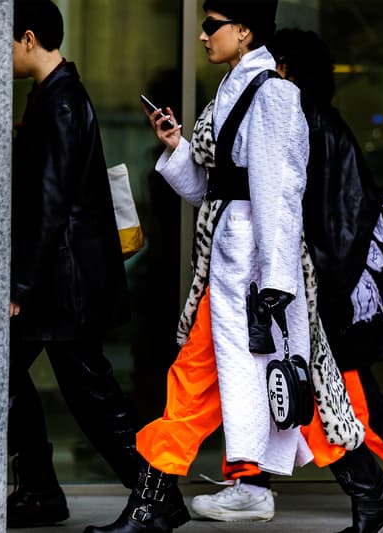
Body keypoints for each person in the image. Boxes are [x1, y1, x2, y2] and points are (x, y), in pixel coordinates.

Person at [190, 28, 383, 529]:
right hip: (314, 289)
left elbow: (330, 220)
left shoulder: (308, 122)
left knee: (341, 399)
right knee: (285, 389)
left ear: (286, 69)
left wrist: (307, 292)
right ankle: (253, 483)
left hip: (323, 291)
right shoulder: (304, 119)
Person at [84, 1, 314, 532]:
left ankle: (154, 503)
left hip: (254, 275)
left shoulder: (273, 94)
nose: (204, 36)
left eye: (213, 26)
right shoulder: (234, 89)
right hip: (232, 268)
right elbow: (217, 193)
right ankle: (375, 497)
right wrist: (177, 147)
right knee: (221, 387)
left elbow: (279, 194)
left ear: (245, 30)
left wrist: (277, 282)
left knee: (259, 391)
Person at [8, 0, 139, 527]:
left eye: (5, 42)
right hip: (58, 283)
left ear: (29, 38)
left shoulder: (61, 101)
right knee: (13, 376)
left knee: (93, 397)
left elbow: (50, 202)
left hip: (61, 286)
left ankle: (155, 494)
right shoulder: (50, 95)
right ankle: (42, 492)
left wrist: (18, 284)